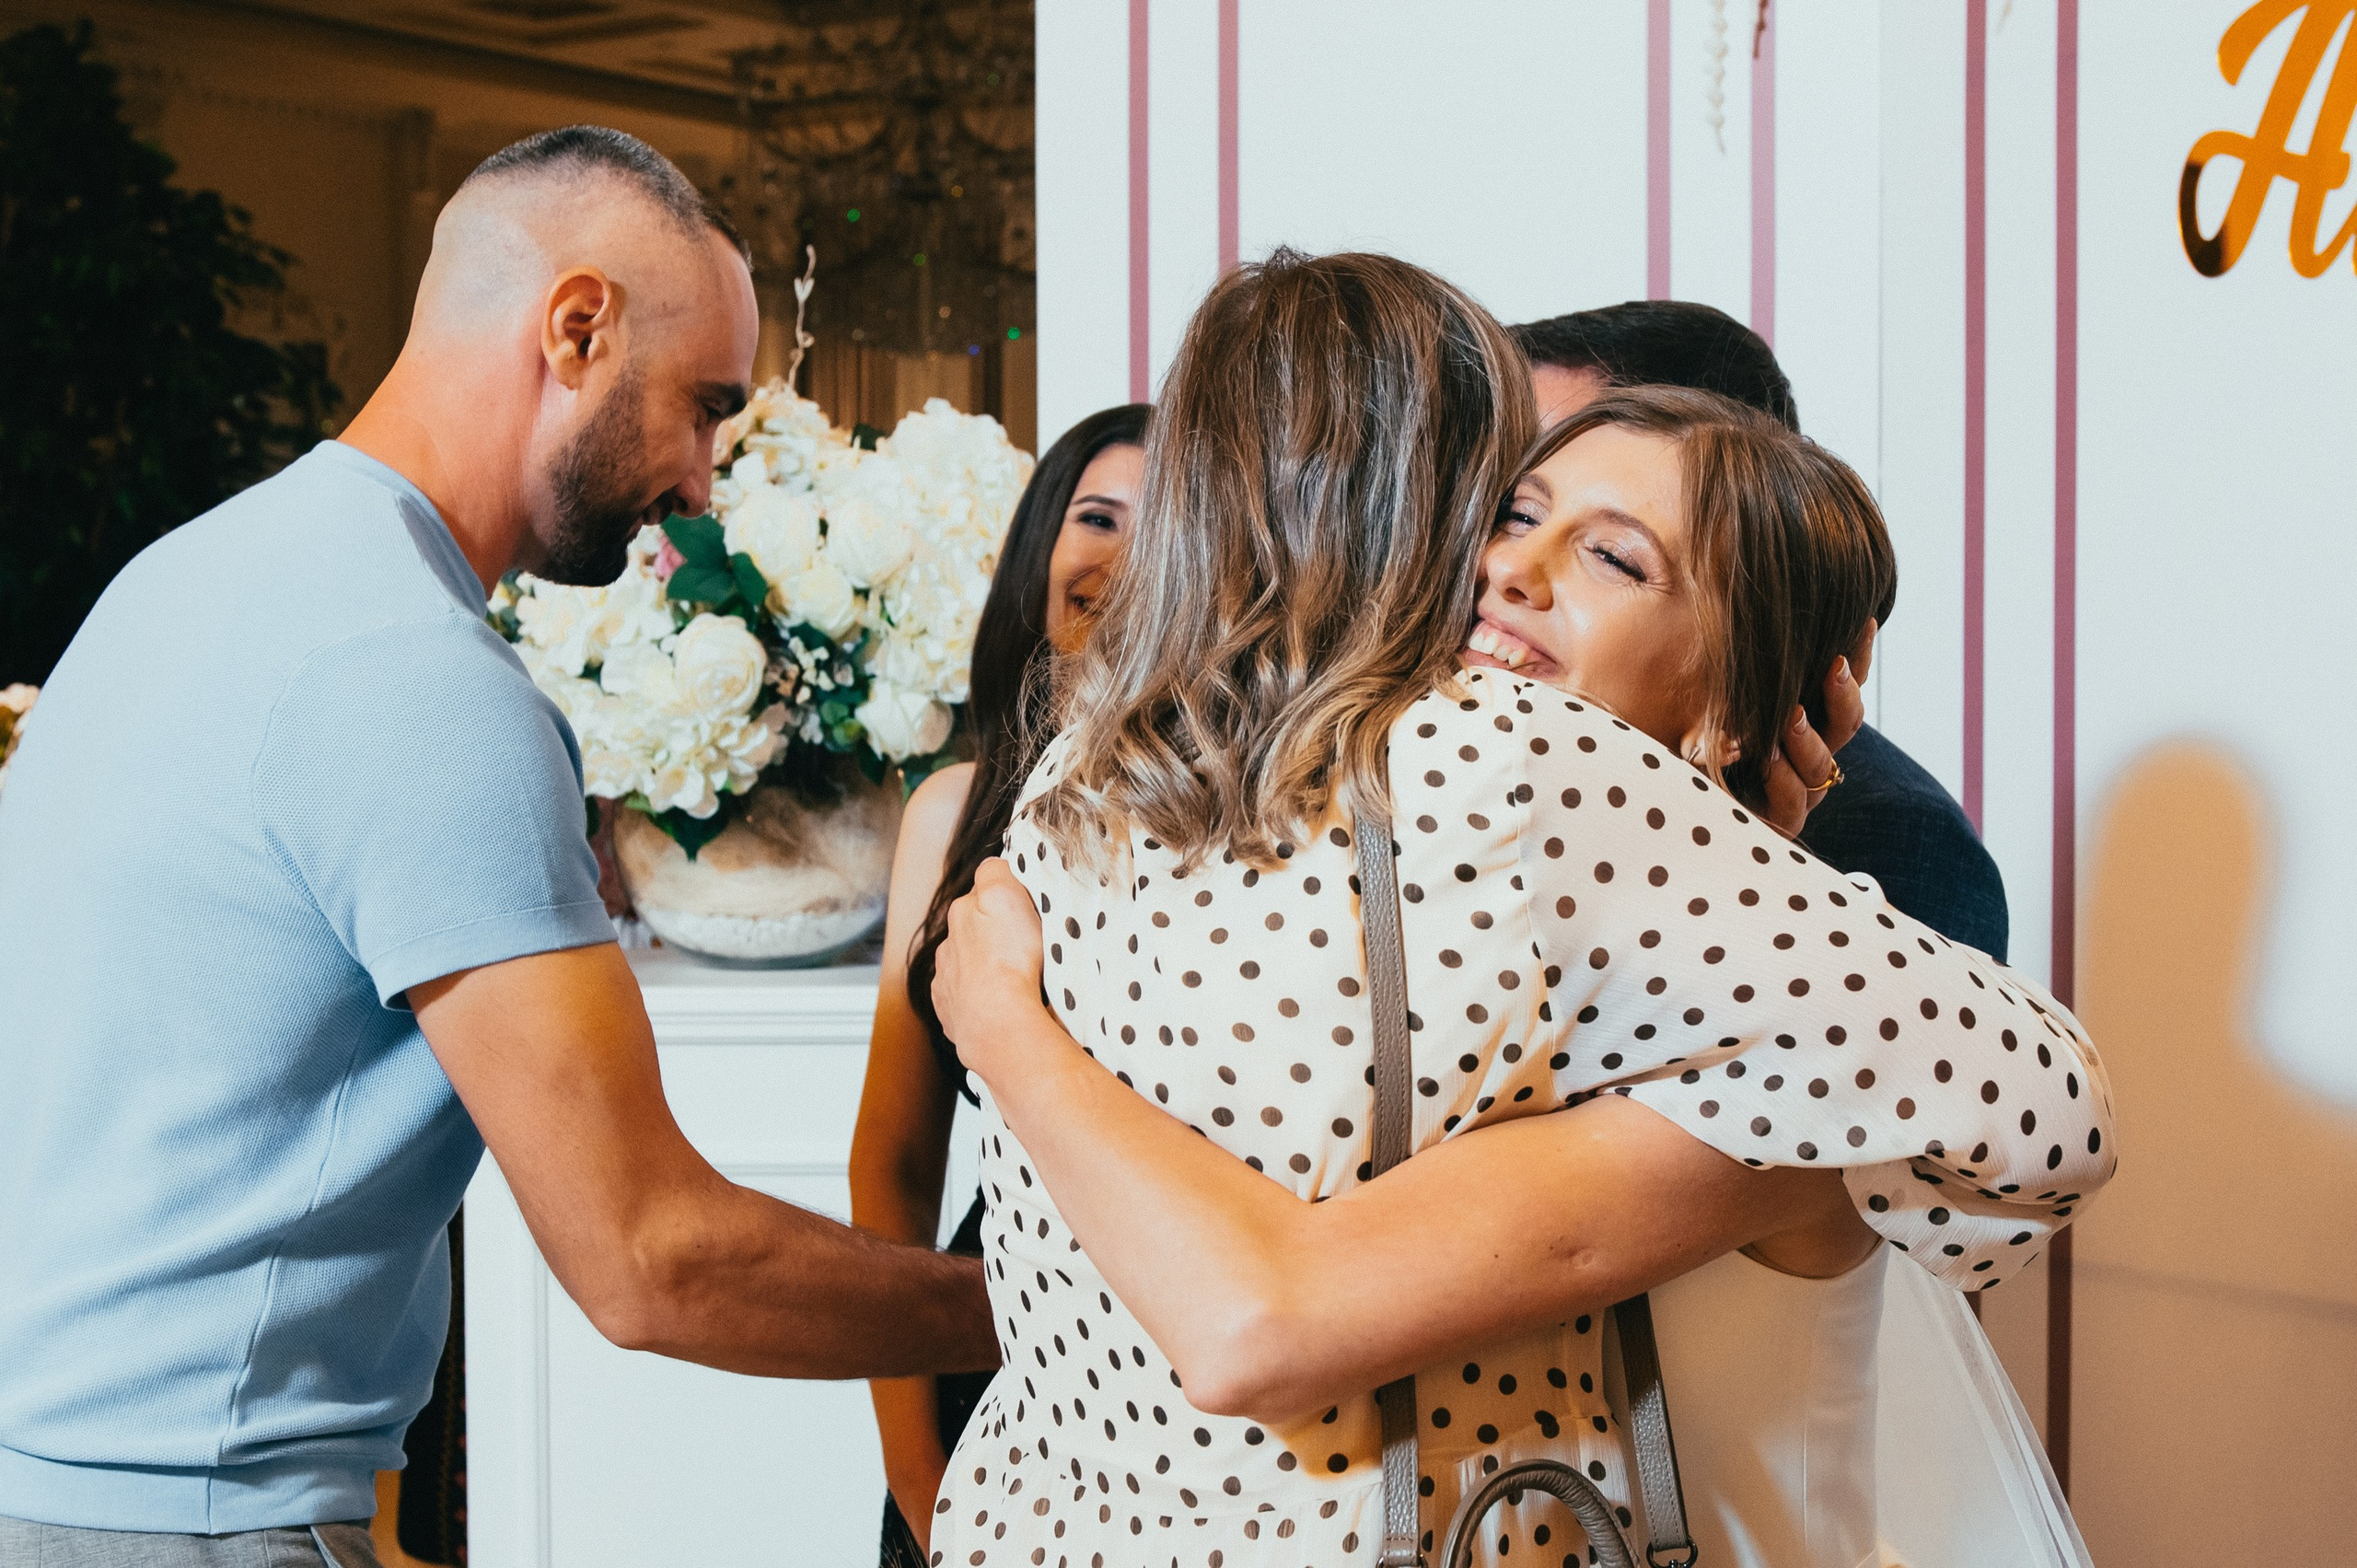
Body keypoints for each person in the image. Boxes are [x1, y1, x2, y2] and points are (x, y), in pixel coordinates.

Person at [924, 250, 2111, 1567]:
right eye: (1506, 509)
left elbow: (1261, 1315)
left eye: (1611, 554)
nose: (1509, 572)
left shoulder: (1573, 816)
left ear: (1735, 690)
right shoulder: (1399, 837)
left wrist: (1006, 1029)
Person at [0, 127, 993, 1568]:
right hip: (184, 1519)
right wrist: (1038, 1302)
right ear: (577, 325)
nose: (706, 483)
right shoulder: (416, 676)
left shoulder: (189, 574)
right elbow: (649, 1256)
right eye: (702, 406)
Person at [848, 402, 1150, 1564]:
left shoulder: (1250, 816)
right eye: (1095, 516)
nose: (1121, 555)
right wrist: (911, 1461)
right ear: (1038, 555)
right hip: (990, 1340)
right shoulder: (952, 810)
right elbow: (895, 1156)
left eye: (1165, 525)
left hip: (1170, 1339)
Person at [1515, 299, 2011, 958]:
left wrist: (1740, 874)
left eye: (1611, 553)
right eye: (1517, 510)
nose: (1503, 559)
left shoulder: (1890, 837)